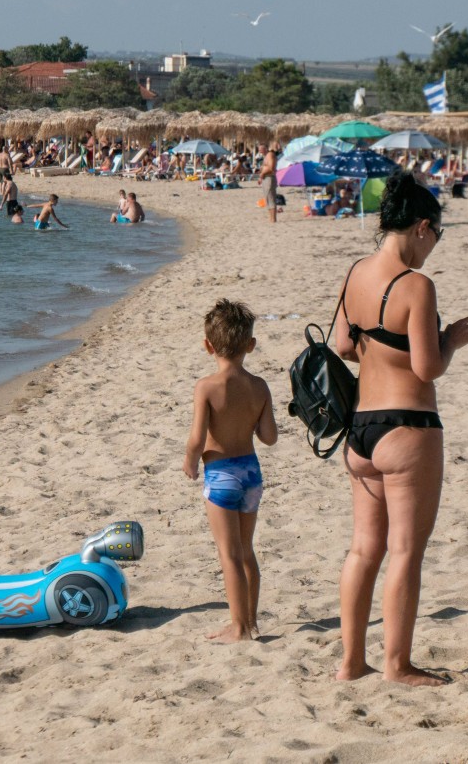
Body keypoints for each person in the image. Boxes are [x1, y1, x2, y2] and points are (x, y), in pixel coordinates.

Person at [332, 171, 468, 686]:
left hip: (360, 429)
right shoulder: (417, 285)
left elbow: (343, 347)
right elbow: (427, 368)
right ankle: (397, 664)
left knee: (361, 550)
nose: (433, 249)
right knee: (404, 553)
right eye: (436, 237)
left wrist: (380, 344)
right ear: (422, 226)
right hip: (409, 428)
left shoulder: (356, 272)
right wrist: (452, 339)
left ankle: (351, 662)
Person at [182, 299, 278, 642]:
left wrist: (190, 460)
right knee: (246, 550)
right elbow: (269, 438)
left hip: (221, 473)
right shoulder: (260, 386)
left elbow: (197, 436)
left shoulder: (206, 387)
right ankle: (249, 621)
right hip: (251, 472)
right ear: (250, 346)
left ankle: (238, 628)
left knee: (229, 554)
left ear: (208, 346)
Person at [259, 143, 279, 223]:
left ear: (266, 148)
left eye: (261, 149)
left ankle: (273, 218)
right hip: (265, 178)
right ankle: (271, 218)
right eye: (259, 149)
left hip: (269, 178)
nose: (259, 150)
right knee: (267, 198)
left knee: (271, 198)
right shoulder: (265, 156)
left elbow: (271, 168)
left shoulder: (270, 155)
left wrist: (263, 173)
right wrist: (261, 176)